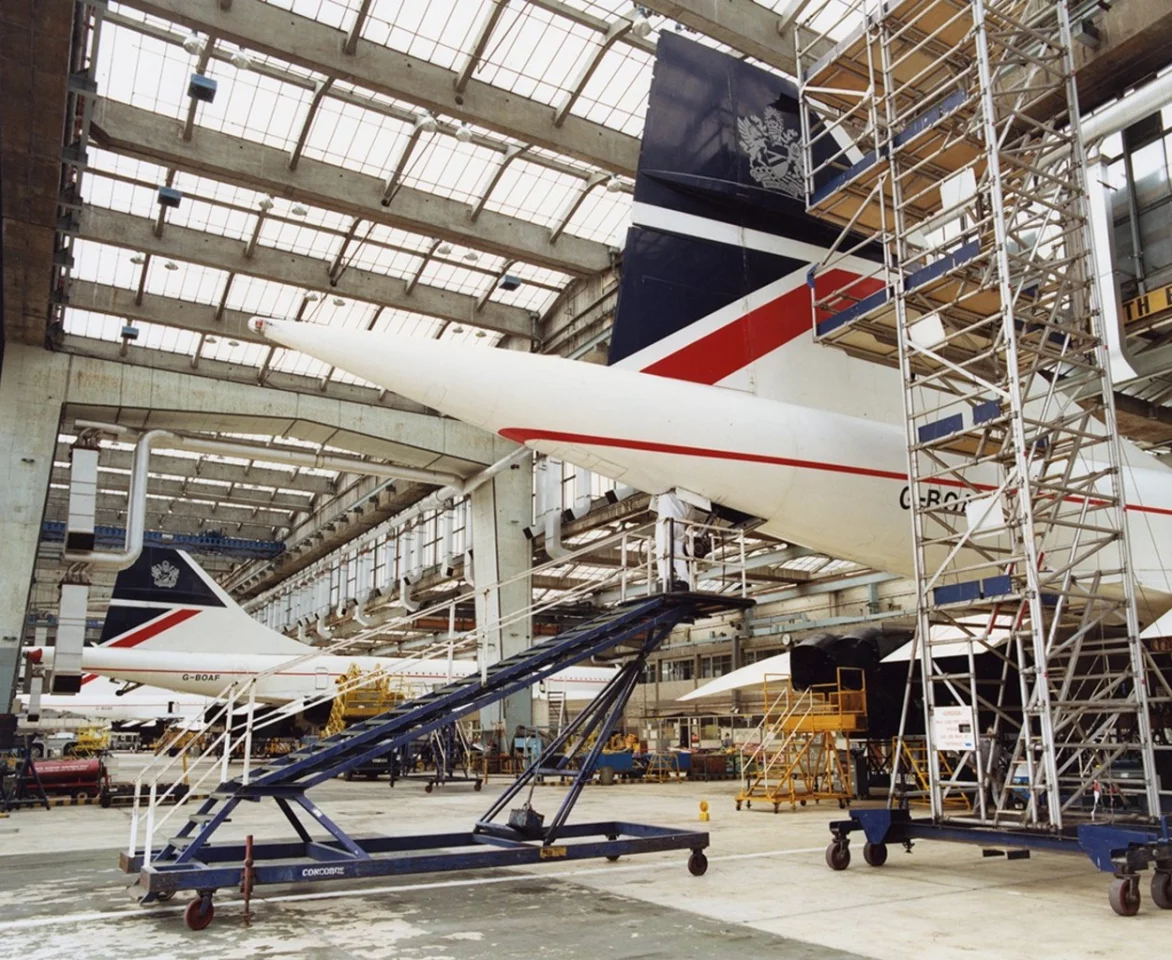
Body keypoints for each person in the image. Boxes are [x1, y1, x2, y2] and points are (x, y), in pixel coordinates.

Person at [654, 489, 694, 591]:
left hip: (666, 522)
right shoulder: (686, 499)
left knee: (663, 551)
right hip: (680, 524)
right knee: (679, 554)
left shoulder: (665, 494)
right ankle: (685, 579)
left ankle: (665, 576)